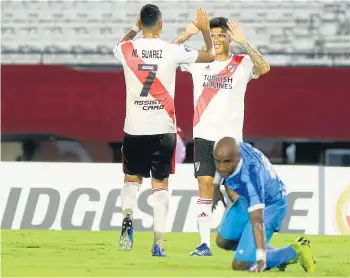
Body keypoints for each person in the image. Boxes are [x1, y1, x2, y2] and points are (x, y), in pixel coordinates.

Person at [112, 4, 215, 256]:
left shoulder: (126, 49)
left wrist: (134, 28)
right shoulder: (172, 50)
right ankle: (157, 243)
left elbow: (119, 45)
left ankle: (128, 214)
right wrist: (203, 31)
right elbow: (210, 55)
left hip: (134, 127)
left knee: (131, 179)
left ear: (141, 23)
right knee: (160, 186)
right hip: (163, 128)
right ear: (161, 24)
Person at [171, 17, 271, 256]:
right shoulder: (199, 60)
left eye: (220, 36)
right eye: (212, 36)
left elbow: (264, 67)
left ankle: (247, 242)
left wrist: (244, 42)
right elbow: (169, 54)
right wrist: (187, 34)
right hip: (204, 137)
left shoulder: (242, 62)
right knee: (205, 187)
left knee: (237, 195)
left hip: (231, 142)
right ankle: (204, 244)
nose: (216, 40)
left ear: (229, 36)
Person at [212, 137, 316, 272]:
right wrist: (215, 188)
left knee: (240, 265)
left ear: (238, 157)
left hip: (271, 205)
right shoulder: (233, 149)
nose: (221, 167)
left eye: (226, 162)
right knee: (224, 241)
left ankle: (293, 251)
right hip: (247, 197)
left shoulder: (251, 177)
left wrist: (261, 259)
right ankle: (258, 252)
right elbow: (221, 161)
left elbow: (258, 221)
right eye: (218, 162)